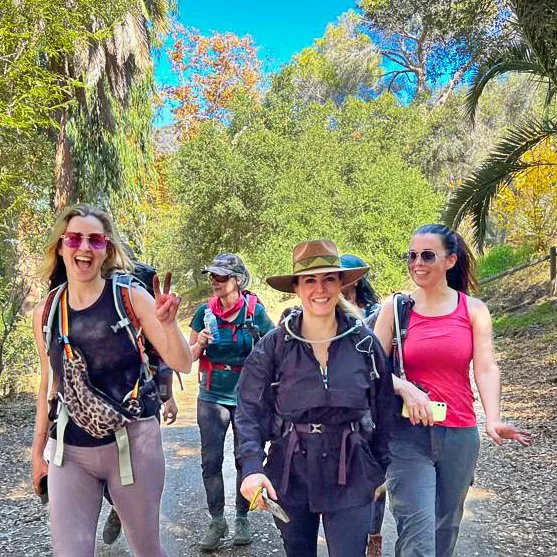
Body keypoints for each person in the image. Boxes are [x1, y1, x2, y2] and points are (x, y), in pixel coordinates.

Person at [30, 203, 192, 557]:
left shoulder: (130, 297)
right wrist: (37, 451)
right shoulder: (47, 311)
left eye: (95, 240)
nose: (84, 248)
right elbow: (48, 386)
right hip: (70, 451)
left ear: (107, 249)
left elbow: (182, 362)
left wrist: (168, 324)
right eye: (74, 239)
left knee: (147, 549)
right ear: (61, 246)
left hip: (133, 445)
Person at [373, 223, 532, 557]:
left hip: (459, 434)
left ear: (450, 260)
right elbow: (370, 367)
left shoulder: (473, 310)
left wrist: (492, 419)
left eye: (427, 256)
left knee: (445, 530)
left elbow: (486, 368)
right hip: (406, 434)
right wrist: (401, 386)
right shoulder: (395, 309)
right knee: (417, 534)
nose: (417, 263)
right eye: (412, 256)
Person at [236, 240, 396, 557]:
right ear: (297, 287)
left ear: (341, 284)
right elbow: (249, 410)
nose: (320, 289)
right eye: (310, 280)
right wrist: (252, 466)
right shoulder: (274, 346)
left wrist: (381, 466)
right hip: (290, 471)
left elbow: (386, 405)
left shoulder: (364, 344)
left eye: (329, 279)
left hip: (352, 470)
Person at [189, 253, 274, 550]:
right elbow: (187, 358)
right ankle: (217, 521)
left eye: (221, 276)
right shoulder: (204, 312)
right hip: (211, 394)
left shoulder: (254, 312)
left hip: (247, 397)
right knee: (210, 460)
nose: (215, 281)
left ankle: (241, 517)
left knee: (244, 457)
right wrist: (200, 343)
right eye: (212, 275)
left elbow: (275, 349)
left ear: (238, 280)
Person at [340, 254, 380, 320]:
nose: (339, 281)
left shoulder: (374, 311)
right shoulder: (334, 312)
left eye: (343, 277)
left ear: (357, 281)